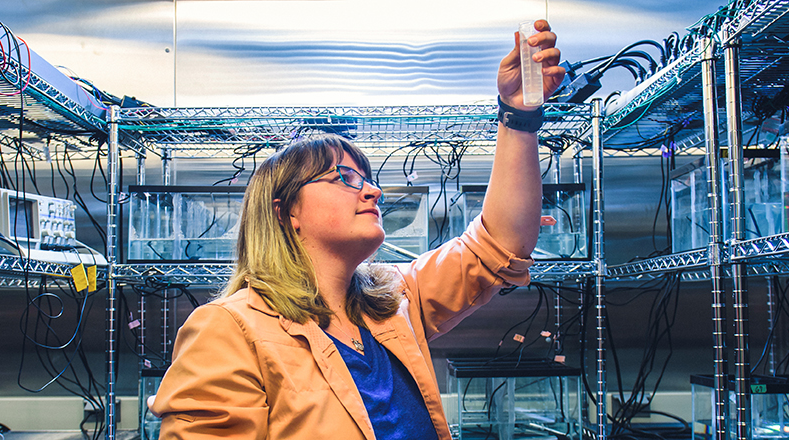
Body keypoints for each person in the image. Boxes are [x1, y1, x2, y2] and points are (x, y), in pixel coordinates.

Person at [149, 19, 565, 440]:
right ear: (285, 211)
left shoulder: (394, 300)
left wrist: (519, 113)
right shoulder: (229, 329)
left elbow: (499, 245)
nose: (374, 191)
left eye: (367, 178)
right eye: (344, 178)